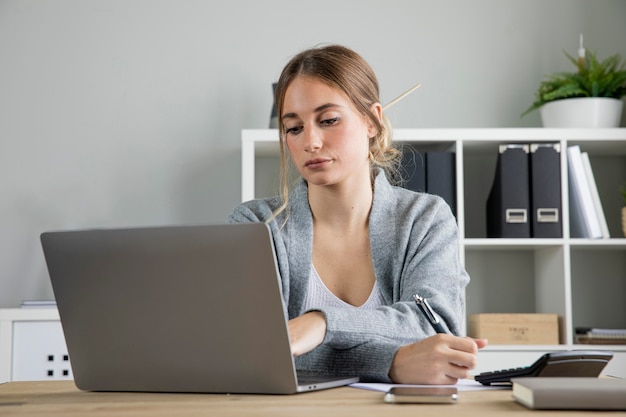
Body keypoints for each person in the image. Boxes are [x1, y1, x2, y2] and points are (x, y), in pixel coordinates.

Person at [228, 44, 487, 384]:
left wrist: (322, 323)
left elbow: (434, 328)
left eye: (329, 120)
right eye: (293, 128)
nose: (311, 142)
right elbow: (256, 347)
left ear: (372, 121)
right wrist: (391, 363)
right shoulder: (255, 225)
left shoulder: (426, 219)